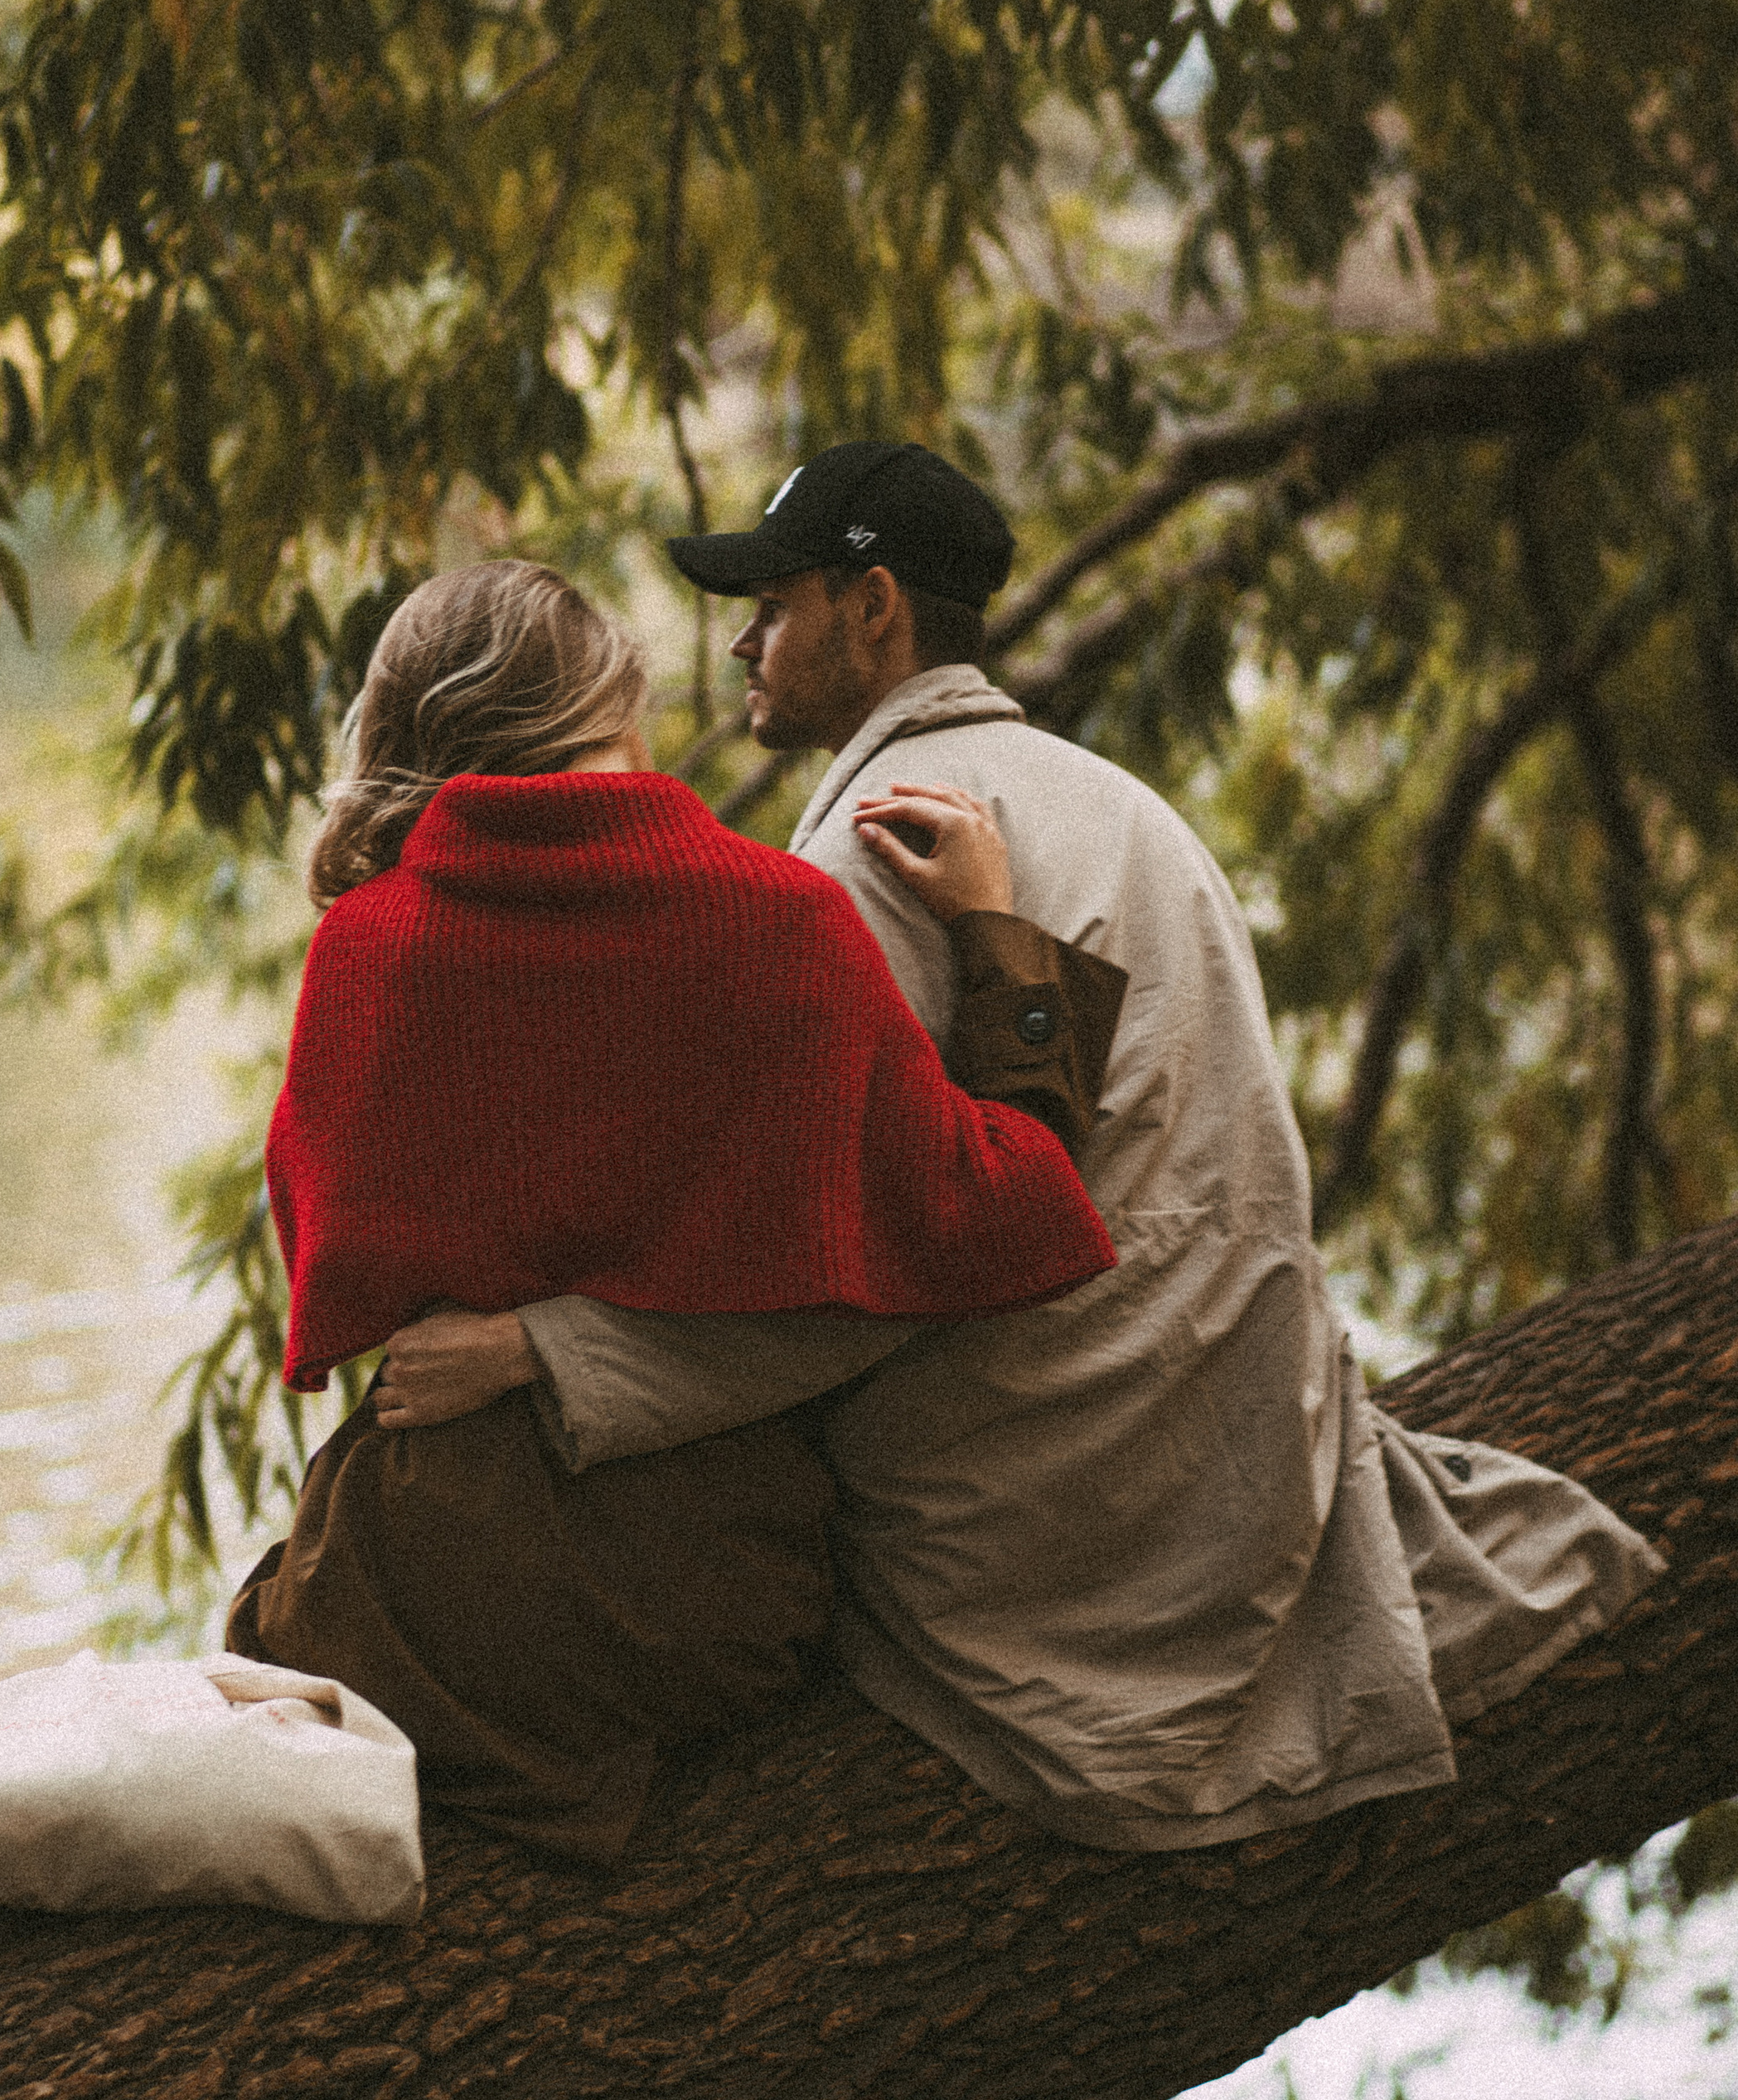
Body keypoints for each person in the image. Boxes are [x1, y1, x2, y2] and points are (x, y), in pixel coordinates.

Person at [370, 443, 1667, 2100]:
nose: (739, 645)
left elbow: (860, 1286)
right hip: (1229, 1436)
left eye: (770, 604)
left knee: (620, 1628)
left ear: (870, 610)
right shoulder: (1103, 803)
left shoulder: (864, 860)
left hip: (1064, 1517)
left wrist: (547, 1356)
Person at [225, 555, 1119, 1875]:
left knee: (266, 1622)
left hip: (420, 1601)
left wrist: (524, 1309)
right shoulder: (784, 923)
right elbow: (1010, 1217)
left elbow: (329, 1270)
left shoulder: (366, 949)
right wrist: (999, 938)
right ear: (613, 704)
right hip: (706, 1602)